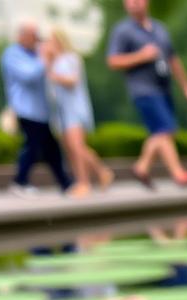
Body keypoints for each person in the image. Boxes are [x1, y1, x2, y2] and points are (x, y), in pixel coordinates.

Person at [106, 0, 187, 188]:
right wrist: (141, 56)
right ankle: (178, 174)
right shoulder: (123, 30)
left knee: (163, 132)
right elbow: (113, 61)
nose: (133, 4)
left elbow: (173, 59)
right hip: (143, 89)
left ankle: (142, 166)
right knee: (164, 129)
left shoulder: (160, 29)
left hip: (164, 88)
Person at [0, 21, 72, 196]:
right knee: (33, 146)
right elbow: (29, 76)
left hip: (42, 111)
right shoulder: (12, 54)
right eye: (35, 36)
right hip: (26, 109)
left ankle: (66, 183)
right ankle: (20, 181)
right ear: (23, 36)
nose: (38, 40)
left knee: (50, 148)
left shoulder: (37, 53)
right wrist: (45, 59)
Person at [45, 28, 114, 198]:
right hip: (61, 111)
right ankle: (94, 176)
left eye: (52, 41)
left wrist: (54, 74)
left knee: (77, 147)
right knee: (69, 148)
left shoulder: (70, 58)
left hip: (74, 109)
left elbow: (72, 80)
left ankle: (87, 182)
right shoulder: (53, 62)